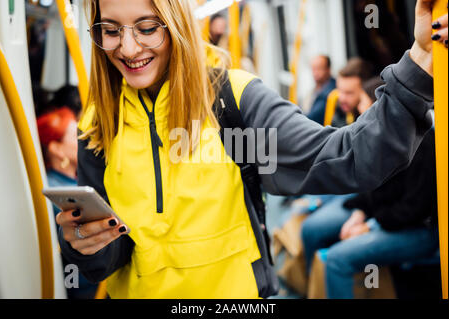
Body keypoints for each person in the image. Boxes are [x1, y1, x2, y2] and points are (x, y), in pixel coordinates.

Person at [56, 0, 447, 299]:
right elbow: (106, 260)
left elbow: (349, 158)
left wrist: (420, 61)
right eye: (110, 30)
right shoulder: (98, 124)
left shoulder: (230, 101)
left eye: (146, 27)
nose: (127, 47)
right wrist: (85, 246)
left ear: (176, 24)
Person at [301, 130, 438, 299]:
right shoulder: (390, 135)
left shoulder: (424, 144)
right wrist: (360, 213)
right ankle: (311, 288)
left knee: (336, 261)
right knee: (311, 228)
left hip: (420, 229)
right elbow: (375, 186)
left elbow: (415, 208)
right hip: (387, 215)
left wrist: (369, 226)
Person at [37, 107, 99, 299]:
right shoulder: (60, 193)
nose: (85, 141)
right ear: (56, 149)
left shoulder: (66, 183)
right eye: (76, 136)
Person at [305, 55, 336, 124]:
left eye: (319, 68)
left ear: (328, 69)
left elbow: (312, 118)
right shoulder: (316, 89)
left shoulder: (330, 92)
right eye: (313, 69)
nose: (315, 73)